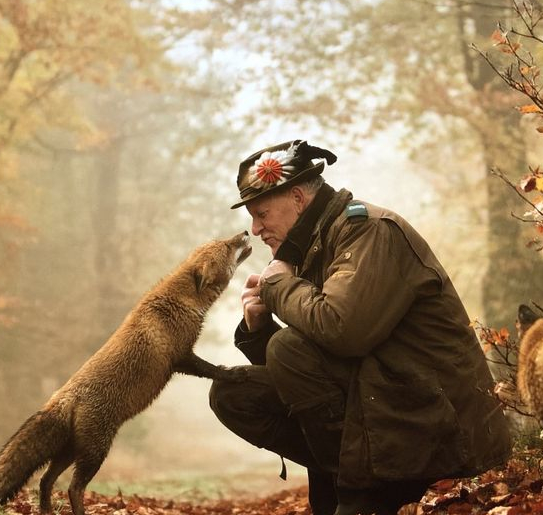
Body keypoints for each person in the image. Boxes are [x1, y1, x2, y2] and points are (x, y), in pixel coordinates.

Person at [209, 140, 512, 515]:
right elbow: (306, 372)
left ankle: (366, 496)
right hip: (383, 405)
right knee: (233, 392)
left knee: (288, 348)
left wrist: (278, 287)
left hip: (436, 422)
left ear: (299, 199)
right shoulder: (305, 251)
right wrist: (259, 328)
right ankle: (361, 488)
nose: (255, 229)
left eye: (262, 214)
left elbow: (342, 332)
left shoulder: (367, 230)